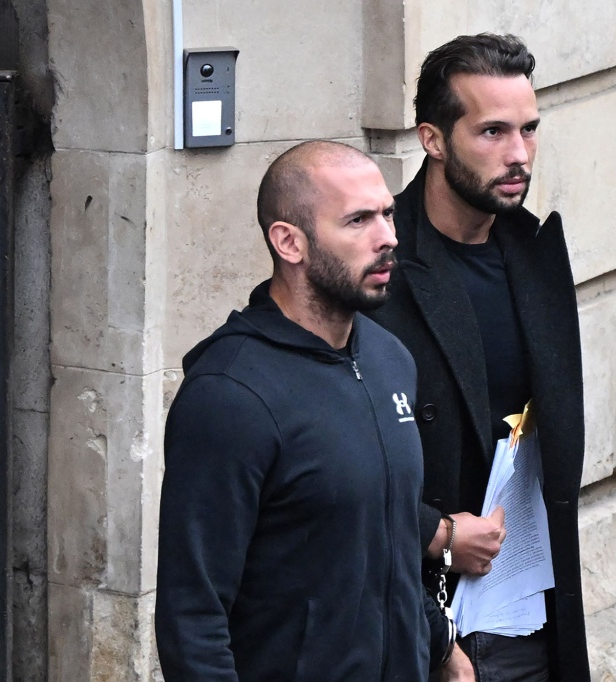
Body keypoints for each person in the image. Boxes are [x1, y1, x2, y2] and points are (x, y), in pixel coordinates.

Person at [155, 140, 469, 681]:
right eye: (357, 221)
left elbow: (386, 542)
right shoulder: (229, 395)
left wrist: (441, 648)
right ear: (289, 242)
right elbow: (192, 617)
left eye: (388, 214)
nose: (388, 237)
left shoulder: (390, 358)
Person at [368, 34, 591, 681]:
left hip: (529, 615)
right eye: (492, 131)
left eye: (528, 129)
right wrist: (434, 536)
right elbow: (331, 466)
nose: (518, 154)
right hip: (412, 624)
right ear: (433, 138)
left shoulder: (533, 251)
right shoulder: (376, 273)